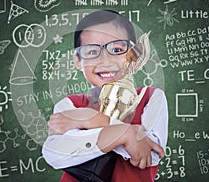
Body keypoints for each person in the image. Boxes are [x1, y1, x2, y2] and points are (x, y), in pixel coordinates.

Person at [42, 10, 168, 182]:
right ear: (78, 61)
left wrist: (91, 120)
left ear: (133, 55)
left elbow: (149, 153)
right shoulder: (70, 105)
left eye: (117, 49)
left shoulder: (151, 97)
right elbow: (55, 153)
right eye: (92, 52)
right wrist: (125, 134)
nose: (105, 61)